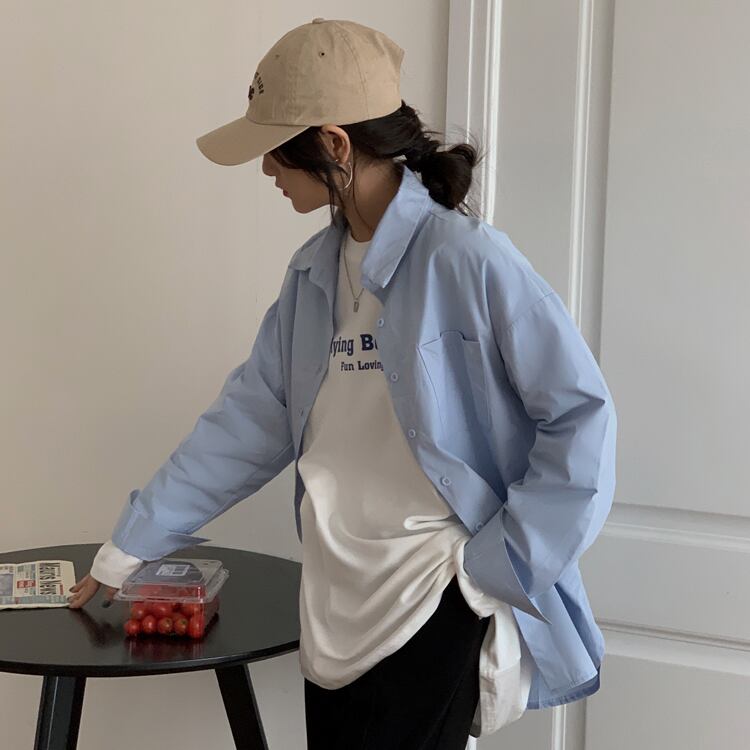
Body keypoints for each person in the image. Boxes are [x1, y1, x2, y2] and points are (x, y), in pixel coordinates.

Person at [67, 17, 617, 749]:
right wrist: (129, 545)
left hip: (435, 595)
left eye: (276, 151)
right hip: (332, 599)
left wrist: (496, 566)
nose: (267, 170)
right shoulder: (311, 275)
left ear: (333, 144)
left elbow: (581, 417)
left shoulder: (467, 261)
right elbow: (245, 425)